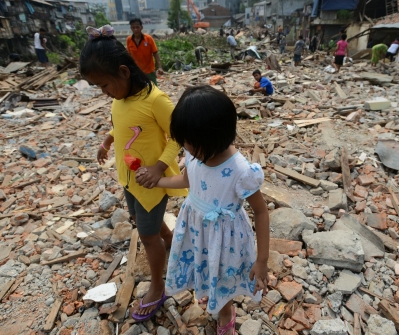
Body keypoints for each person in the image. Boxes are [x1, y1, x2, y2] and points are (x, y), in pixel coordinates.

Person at [81, 25, 187, 322]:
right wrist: (107, 141)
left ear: (124, 72)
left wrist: (159, 166)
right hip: (129, 179)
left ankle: (158, 285)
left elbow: (178, 136)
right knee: (144, 224)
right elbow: (123, 126)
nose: (104, 93)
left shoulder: (156, 100)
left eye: (104, 86)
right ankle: (173, 242)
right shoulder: (120, 98)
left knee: (147, 234)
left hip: (151, 182)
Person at [145, 85, 269, 335]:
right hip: (197, 228)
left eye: (189, 144)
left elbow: (262, 211)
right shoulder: (196, 154)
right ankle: (210, 292)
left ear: (212, 138)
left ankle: (225, 311)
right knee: (204, 265)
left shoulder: (241, 171)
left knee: (223, 273)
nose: (186, 149)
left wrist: (262, 260)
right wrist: (157, 181)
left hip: (226, 239)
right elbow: (186, 181)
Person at [126, 18, 164, 86]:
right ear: (131, 28)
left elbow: (155, 53)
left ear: (141, 27)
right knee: (140, 91)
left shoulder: (148, 39)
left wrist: (160, 67)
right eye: (133, 27)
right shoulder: (129, 40)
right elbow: (129, 56)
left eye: (137, 27)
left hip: (149, 71)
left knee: (154, 89)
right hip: (137, 72)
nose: (135, 29)